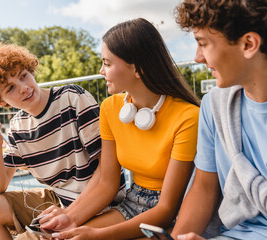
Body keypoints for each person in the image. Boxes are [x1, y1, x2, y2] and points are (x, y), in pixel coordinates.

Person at [35, 18, 200, 240]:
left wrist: (97, 235)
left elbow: (167, 209)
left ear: (137, 68)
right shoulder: (110, 108)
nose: (101, 71)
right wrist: (70, 217)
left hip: (174, 213)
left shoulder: (188, 117)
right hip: (133, 201)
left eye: (107, 63)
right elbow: (106, 182)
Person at [0, 43, 125, 240]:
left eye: (23, 75)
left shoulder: (72, 98)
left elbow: (108, 169)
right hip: (59, 200)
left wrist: (69, 214)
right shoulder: (18, 127)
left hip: (100, 204)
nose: (24, 88)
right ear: (2, 102)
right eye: (10, 88)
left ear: (30, 70)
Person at [171, 0, 267, 240]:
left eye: (203, 43)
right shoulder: (214, 106)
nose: (197, 58)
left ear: (248, 44)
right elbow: (204, 188)